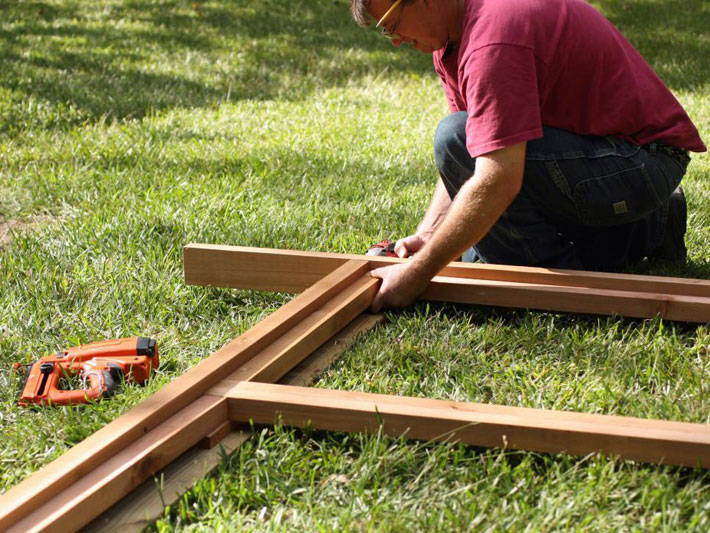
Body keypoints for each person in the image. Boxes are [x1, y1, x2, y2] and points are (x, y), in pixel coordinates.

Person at [349, 0, 706, 312]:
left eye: (392, 25)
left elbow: (496, 177)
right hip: (610, 157)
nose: (395, 39)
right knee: (473, 247)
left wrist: (416, 274)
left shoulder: (493, 37)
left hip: (642, 161)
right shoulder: (451, 40)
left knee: (485, 257)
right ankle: (651, 225)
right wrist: (428, 234)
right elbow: (471, 156)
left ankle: (558, 287)